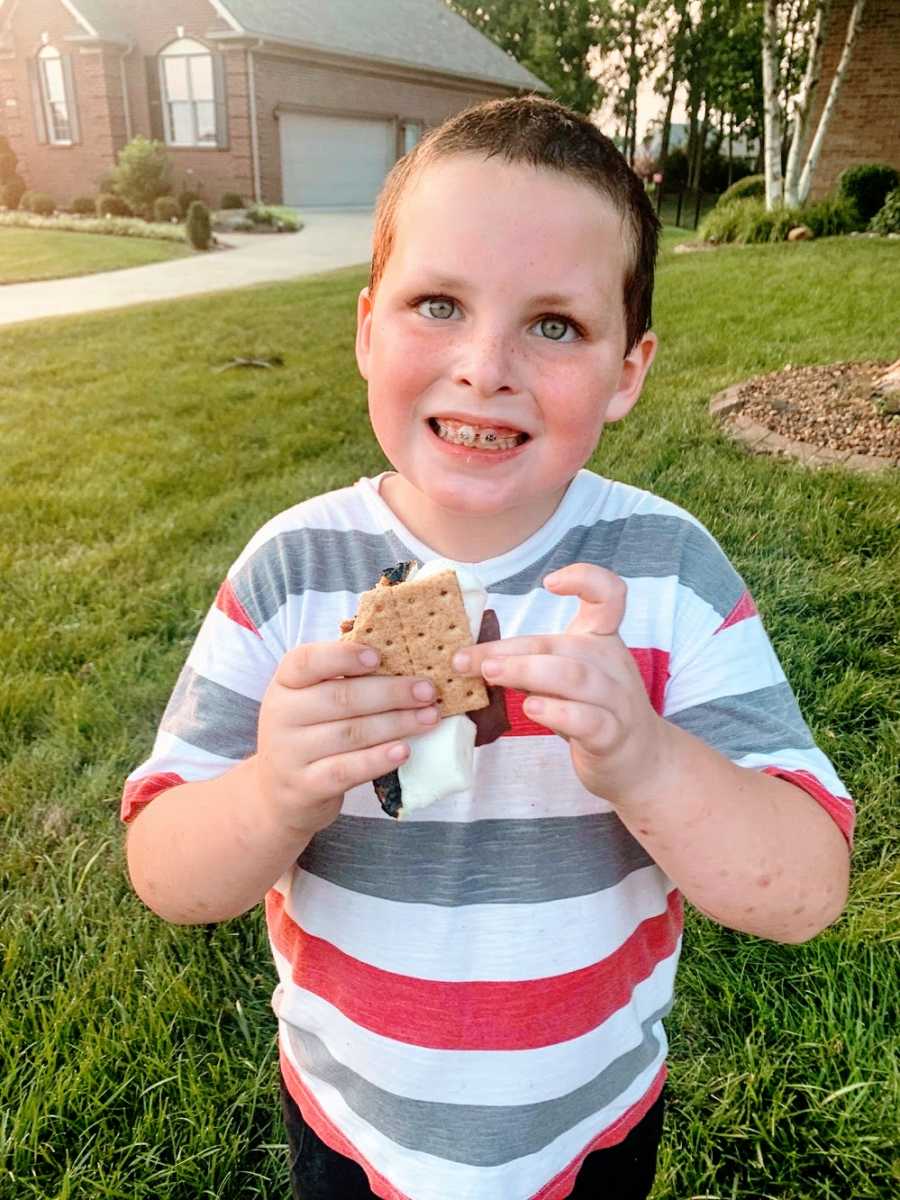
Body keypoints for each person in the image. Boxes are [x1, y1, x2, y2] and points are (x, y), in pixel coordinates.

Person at [121, 96, 853, 1200]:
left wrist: (649, 760)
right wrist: (275, 790)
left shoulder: (669, 574)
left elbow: (804, 890)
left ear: (628, 370)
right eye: (437, 305)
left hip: (592, 1126)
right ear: (367, 327)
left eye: (554, 324)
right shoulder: (290, 574)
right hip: (354, 1125)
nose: (484, 365)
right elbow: (166, 871)